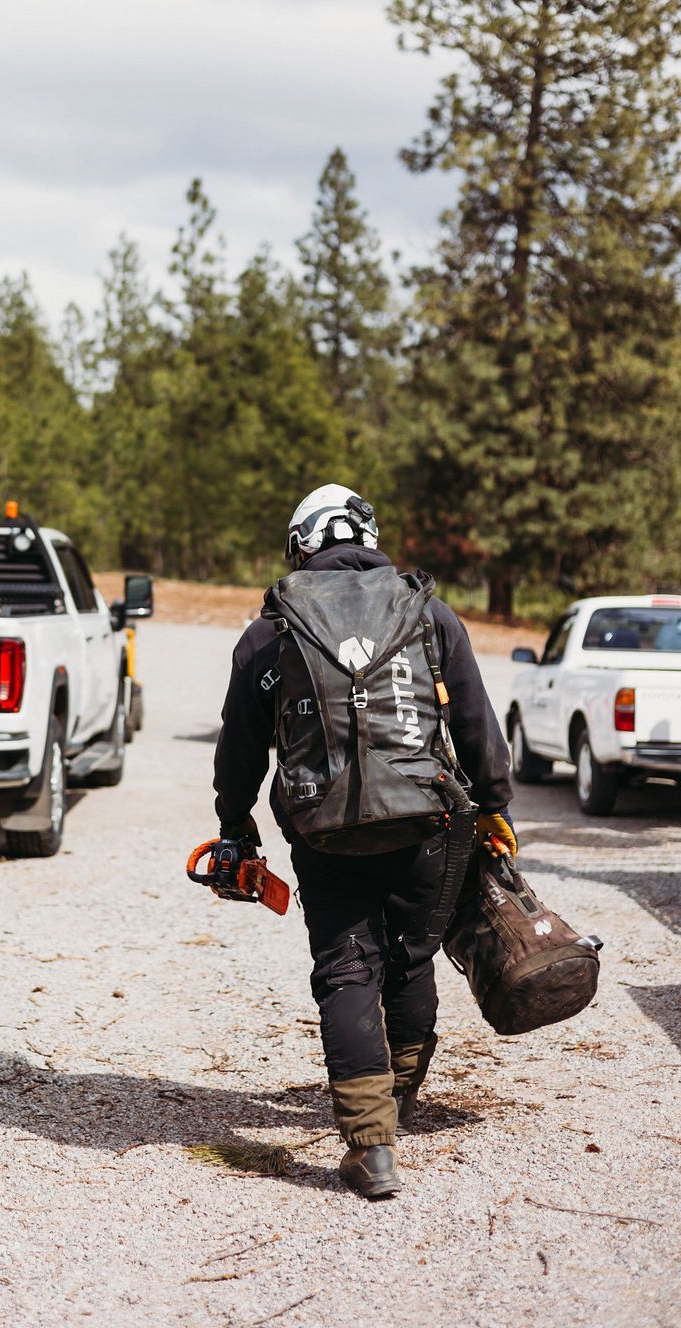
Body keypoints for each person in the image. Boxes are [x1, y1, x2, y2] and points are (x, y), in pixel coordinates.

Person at [212, 484, 514, 1199]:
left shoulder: (270, 631)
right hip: (425, 822)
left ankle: (371, 1148)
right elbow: (474, 724)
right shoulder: (428, 614)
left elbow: (240, 747)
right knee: (410, 957)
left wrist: (234, 825)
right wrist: (496, 808)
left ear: (302, 546)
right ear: (368, 537)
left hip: (323, 835)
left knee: (346, 969)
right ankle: (399, 1095)